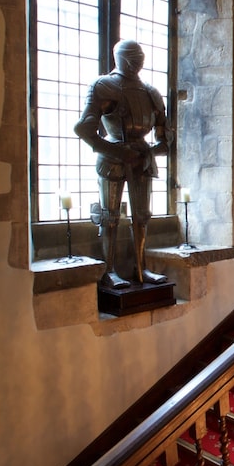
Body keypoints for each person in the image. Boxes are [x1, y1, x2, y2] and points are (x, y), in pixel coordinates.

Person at [75, 40, 172, 289]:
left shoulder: (151, 92)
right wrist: (118, 151)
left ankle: (142, 268)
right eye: (133, 56)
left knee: (142, 216)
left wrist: (149, 152)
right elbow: (84, 129)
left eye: (140, 56)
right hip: (112, 157)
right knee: (110, 217)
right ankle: (109, 270)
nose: (137, 61)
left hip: (142, 158)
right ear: (121, 58)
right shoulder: (104, 86)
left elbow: (166, 139)